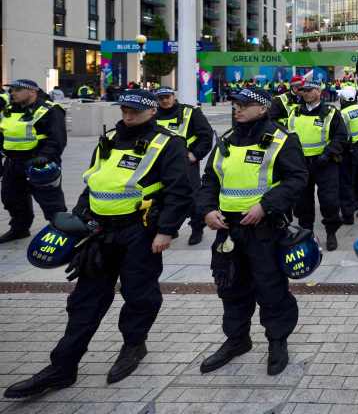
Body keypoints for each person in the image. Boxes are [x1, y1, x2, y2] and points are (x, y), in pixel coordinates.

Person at [4, 90, 192, 398]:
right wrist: (79, 219)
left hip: (140, 233)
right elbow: (94, 181)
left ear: (151, 111)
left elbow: (180, 191)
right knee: (84, 300)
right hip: (100, 232)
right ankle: (63, 367)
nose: (127, 116)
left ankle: (134, 345)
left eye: (134, 111)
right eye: (124, 110)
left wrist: (166, 231)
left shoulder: (167, 143)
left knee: (139, 295)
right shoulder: (108, 139)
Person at [197, 87, 307, 376]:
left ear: (262, 108)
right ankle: (236, 340)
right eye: (235, 104)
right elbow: (210, 179)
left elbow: (297, 179)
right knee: (230, 288)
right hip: (228, 231)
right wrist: (207, 209)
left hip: (264, 229)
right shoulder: (227, 140)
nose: (238, 109)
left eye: (244, 105)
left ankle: (277, 341)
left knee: (270, 288)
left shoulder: (281, 139)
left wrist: (266, 206)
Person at [0, 79, 67, 243]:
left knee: (51, 201)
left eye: (17, 90)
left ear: (32, 91)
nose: (12, 93)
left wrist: (45, 156)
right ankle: (19, 228)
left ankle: (61, 231)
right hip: (13, 162)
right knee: (11, 198)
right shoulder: (9, 110)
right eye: (12, 90)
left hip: (39, 162)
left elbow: (57, 138)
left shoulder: (50, 110)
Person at [288, 80, 349, 250]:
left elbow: (341, 136)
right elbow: (287, 136)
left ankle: (331, 232)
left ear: (318, 91)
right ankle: (306, 234)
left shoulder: (330, 112)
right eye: (303, 90)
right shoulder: (295, 112)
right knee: (302, 202)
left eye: (309, 90)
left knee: (329, 201)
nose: (305, 93)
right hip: (301, 164)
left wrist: (328, 153)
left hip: (325, 163)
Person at [154, 86, 215, 245]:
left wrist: (195, 155)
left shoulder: (190, 112)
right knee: (161, 197)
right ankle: (169, 227)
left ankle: (197, 228)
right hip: (159, 164)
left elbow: (206, 136)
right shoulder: (152, 115)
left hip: (185, 163)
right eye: (161, 98)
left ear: (174, 96)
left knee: (193, 197)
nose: (165, 101)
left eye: (167, 97)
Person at [338, 86, 358, 226]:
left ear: (343, 100)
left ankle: (348, 215)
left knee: (346, 183)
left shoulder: (343, 114)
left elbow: (340, 134)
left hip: (349, 152)